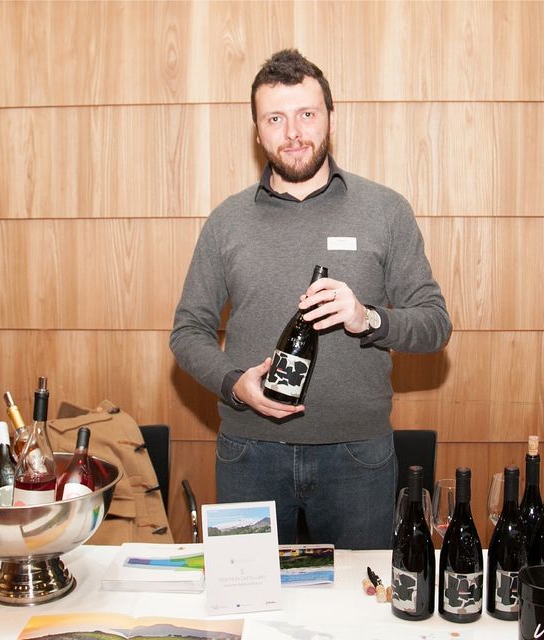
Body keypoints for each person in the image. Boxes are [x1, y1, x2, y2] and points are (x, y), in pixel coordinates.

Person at [170, 49, 451, 549]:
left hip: (358, 458)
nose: (293, 132)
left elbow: (434, 325)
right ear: (257, 131)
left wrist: (368, 318)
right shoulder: (227, 221)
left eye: (306, 114)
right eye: (275, 118)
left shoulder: (385, 211)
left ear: (331, 119)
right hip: (248, 453)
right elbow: (187, 332)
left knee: (360, 598)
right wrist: (234, 384)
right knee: (249, 597)